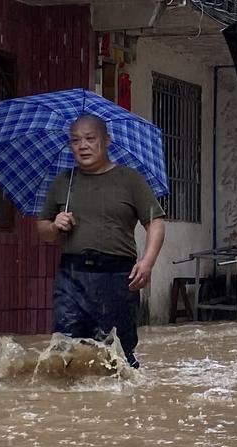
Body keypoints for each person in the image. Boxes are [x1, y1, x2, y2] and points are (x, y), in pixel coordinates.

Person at [37, 115, 166, 367]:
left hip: (117, 278)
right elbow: (42, 230)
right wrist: (55, 225)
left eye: (89, 138)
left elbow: (156, 223)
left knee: (118, 356)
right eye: (75, 141)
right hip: (71, 277)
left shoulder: (130, 179)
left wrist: (148, 262)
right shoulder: (64, 181)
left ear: (106, 140)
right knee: (65, 352)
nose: (82, 146)